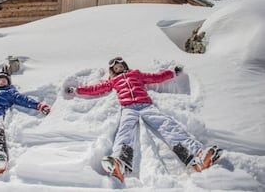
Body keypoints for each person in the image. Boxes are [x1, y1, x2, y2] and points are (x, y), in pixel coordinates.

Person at [65, 57, 222, 182]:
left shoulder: (136, 74)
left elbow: (156, 77)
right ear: (112, 70)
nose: (117, 67)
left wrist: (172, 73)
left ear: (124, 65)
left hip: (146, 106)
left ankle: (197, 156)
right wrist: (77, 90)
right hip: (128, 108)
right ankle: (119, 162)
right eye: (114, 66)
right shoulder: (113, 81)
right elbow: (95, 89)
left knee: (169, 126)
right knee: (125, 132)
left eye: (119, 64)